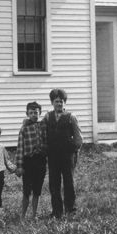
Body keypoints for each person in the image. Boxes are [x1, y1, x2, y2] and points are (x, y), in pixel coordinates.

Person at [43, 88, 83, 218]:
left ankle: (71, 210)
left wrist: (74, 151)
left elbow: (78, 138)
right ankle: (56, 211)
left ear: (64, 102)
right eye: (56, 101)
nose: (59, 104)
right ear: (52, 102)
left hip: (67, 155)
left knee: (68, 182)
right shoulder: (48, 116)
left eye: (61, 101)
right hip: (53, 155)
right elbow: (40, 130)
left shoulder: (71, 117)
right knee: (54, 183)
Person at [14, 101, 47, 220]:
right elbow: (20, 148)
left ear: (40, 113)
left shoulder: (43, 126)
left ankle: (34, 215)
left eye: (36, 113)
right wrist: (19, 165)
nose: (34, 115)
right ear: (27, 114)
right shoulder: (24, 129)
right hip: (28, 161)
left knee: (37, 190)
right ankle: (22, 216)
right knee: (26, 190)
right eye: (31, 113)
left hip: (40, 161)